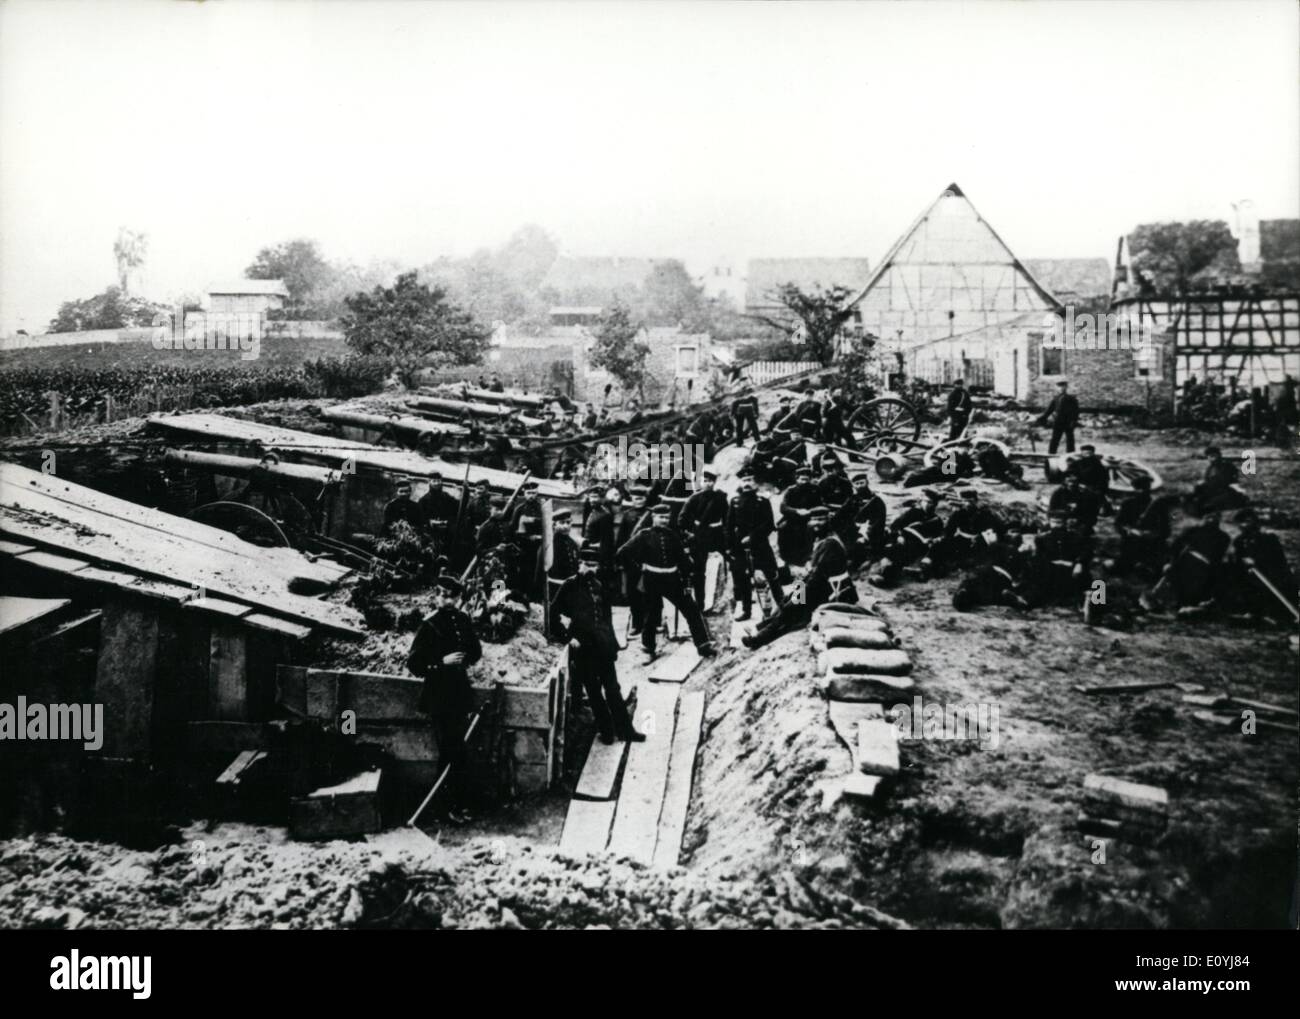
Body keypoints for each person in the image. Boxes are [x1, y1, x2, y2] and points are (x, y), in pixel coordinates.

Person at [406, 574, 483, 823]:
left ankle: (456, 805)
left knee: (458, 752)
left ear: (458, 599)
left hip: (459, 694)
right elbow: (414, 663)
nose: (446, 601)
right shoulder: (429, 625)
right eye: (442, 596)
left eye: (451, 597)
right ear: (436, 596)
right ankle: (448, 807)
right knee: (451, 752)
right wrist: (441, 662)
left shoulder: (462, 620)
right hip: (439, 697)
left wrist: (466, 658)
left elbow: (475, 650)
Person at [550, 548, 645, 744]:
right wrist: (568, 638)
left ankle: (626, 731)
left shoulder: (600, 585)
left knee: (613, 689)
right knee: (593, 692)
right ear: (579, 564)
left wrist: (613, 644)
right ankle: (607, 731)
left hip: (603, 647)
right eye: (587, 564)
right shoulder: (569, 586)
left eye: (594, 565)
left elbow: (607, 619)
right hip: (584, 649)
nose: (590, 568)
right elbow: (552, 614)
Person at [743, 505, 853, 648]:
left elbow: (817, 576)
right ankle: (760, 628)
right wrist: (796, 591)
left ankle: (759, 638)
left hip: (830, 590)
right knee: (787, 601)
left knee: (792, 612)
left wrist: (797, 596)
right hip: (818, 584)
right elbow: (811, 574)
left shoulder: (830, 543)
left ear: (828, 520)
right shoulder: (821, 539)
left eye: (822, 520)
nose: (817, 524)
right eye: (814, 520)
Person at [617, 502, 716, 659]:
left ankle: (703, 646)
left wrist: (688, 574)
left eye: (667, 518)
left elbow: (683, 560)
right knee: (651, 616)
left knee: (692, 610)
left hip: (673, 580)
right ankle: (648, 650)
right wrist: (638, 567)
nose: (664, 521)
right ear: (653, 517)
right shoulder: (643, 535)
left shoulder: (673, 536)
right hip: (651, 581)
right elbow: (622, 553)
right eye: (661, 517)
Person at [727, 465, 784, 621]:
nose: (747, 483)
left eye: (750, 479)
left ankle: (783, 607)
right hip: (741, 549)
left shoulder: (763, 501)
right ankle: (747, 611)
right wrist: (732, 546)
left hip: (760, 546)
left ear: (755, 482)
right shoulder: (735, 501)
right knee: (744, 580)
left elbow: (769, 524)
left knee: (772, 576)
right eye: (744, 480)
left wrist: (752, 537)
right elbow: (729, 526)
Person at [1228, 508, 1297, 623]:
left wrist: (1257, 561)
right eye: (1242, 522)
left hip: (1269, 574)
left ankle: (1272, 614)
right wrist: (1239, 561)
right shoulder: (1239, 541)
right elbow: (1237, 559)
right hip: (1249, 575)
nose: (1244, 525)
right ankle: (1251, 611)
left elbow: (1277, 560)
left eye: (1247, 521)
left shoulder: (1268, 539)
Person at [869, 489, 943, 587]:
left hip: (920, 545)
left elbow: (938, 535)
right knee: (893, 550)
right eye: (925, 501)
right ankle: (881, 573)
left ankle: (888, 575)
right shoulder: (913, 513)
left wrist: (933, 540)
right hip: (904, 539)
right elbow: (896, 525)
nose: (927, 504)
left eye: (930, 502)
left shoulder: (936, 520)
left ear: (935, 505)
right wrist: (899, 535)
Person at [923, 489, 1005, 577]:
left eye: (970, 501)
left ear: (976, 501)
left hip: (979, 543)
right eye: (964, 501)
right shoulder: (959, 513)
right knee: (939, 545)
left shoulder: (984, 514)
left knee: (967, 557)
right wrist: (941, 539)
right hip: (961, 540)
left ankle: (940, 568)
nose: (967, 504)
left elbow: (994, 530)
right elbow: (949, 530)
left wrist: (981, 538)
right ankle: (925, 566)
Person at [1024, 511, 1092, 609]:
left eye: (1059, 522)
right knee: (1036, 579)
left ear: (1065, 523)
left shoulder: (1077, 537)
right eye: (1053, 522)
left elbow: (1086, 553)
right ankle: (1026, 601)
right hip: (1051, 572)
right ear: (1049, 522)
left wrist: (1079, 563)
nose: (1056, 525)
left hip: (1072, 571)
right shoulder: (1042, 539)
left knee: (1099, 583)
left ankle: (1097, 607)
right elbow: (1039, 557)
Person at [681, 469, 728, 606]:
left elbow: (727, 518)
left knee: (729, 563)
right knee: (698, 571)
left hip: (717, 535)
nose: (706, 484)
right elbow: (682, 518)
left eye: (709, 481)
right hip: (699, 536)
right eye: (703, 481)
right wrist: (688, 534)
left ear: (714, 482)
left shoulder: (720, 498)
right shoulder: (694, 498)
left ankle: (724, 598)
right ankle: (700, 603)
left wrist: (726, 535)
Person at [1112, 476, 1170, 576]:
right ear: (1135, 489)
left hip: (1152, 543)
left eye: (1146, 488)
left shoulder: (1158, 505)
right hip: (1132, 541)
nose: (1143, 491)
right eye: (1140, 488)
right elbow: (1119, 523)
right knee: (1121, 567)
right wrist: (1129, 531)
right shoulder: (1128, 504)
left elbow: (1166, 529)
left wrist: (1154, 534)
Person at [838, 472, 887, 565]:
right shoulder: (852, 499)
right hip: (854, 529)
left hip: (870, 532)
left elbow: (878, 522)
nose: (860, 486)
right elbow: (841, 514)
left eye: (862, 483)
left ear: (867, 483)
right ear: (853, 486)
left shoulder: (876, 501)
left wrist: (865, 535)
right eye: (857, 484)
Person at [777, 465, 820, 567]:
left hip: (810, 518)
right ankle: (785, 558)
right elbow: (783, 508)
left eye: (807, 479)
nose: (804, 482)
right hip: (794, 519)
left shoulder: (815, 489)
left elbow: (820, 505)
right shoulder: (791, 490)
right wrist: (797, 511)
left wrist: (810, 511)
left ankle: (807, 558)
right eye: (802, 479)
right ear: (797, 479)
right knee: (783, 529)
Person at [539, 506, 580, 603]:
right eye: (562, 523)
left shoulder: (572, 543)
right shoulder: (549, 545)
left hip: (571, 590)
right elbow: (540, 573)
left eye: (568, 522)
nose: (566, 526)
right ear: (554, 525)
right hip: (555, 591)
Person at [1190, 446, 1245, 513]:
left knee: (1209, 505)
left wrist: (1209, 483)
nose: (1212, 458)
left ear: (1219, 455)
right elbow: (1208, 480)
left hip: (1226, 491)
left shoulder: (1227, 466)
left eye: (1214, 456)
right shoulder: (1210, 468)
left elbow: (1225, 481)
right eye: (1210, 456)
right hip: (1214, 491)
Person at [1037, 379, 1080, 454]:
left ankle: (1070, 454)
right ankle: (1051, 454)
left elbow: (1075, 411)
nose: (1061, 388)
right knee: (1055, 439)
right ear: (1057, 388)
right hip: (1058, 421)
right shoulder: (1056, 398)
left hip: (1068, 421)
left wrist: (1073, 421)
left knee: (1070, 439)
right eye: (1059, 387)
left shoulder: (1072, 398)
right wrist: (1042, 418)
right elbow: (1049, 409)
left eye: (1063, 386)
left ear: (1066, 387)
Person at [419, 472, 460, 543]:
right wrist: (430, 522)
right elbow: (420, 517)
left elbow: (457, 508)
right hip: (430, 532)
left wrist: (447, 521)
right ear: (429, 482)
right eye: (434, 481)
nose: (437, 483)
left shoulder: (447, 497)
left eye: (438, 481)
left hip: (446, 531)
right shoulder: (424, 500)